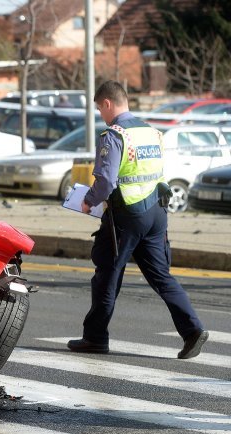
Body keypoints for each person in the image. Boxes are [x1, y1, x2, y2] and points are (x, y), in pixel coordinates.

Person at [67, 80, 208, 359]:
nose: (100, 114)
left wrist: (89, 201)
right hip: (156, 212)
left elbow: (106, 181)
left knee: (107, 275)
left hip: (127, 215)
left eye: (99, 108)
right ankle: (193, 331)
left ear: (107, 103)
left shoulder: (114, 135)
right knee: (161, 276)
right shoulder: (152, 132)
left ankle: (95, 338)